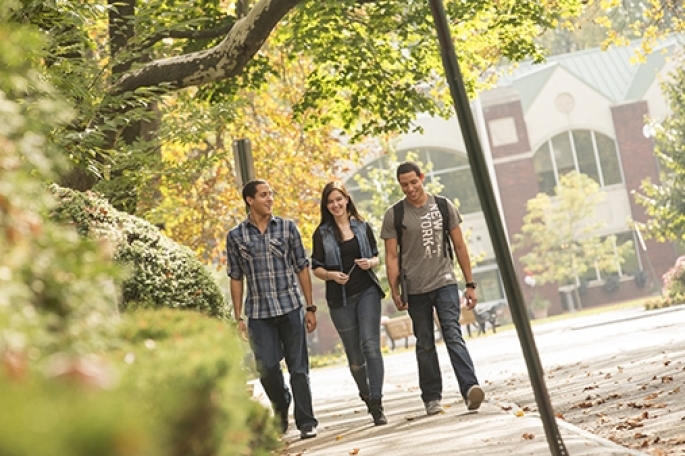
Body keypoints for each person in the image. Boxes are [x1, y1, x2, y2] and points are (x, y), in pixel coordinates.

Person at [380, 161, 485, 415]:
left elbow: (459, 246)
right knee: (424, 342)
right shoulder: (395, 214)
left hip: (444, 281)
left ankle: (470, 388)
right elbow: (391, 256)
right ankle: (431, 397)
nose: (410, 188)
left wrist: (470, 284)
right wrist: (394, 290)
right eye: (404, 185)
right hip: (415, 288)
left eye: (413, 182)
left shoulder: (443, 205)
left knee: (452, 332)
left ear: (422, 178)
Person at [226, 179, 318, 439]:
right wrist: (238, 317)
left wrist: (310, 307)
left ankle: (306, 422)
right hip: (258, 313)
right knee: (266, 368)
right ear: (249, 200)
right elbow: (235, 277)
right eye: (264, 195)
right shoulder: (236, 236)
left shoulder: (288, 228)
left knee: (299, 369)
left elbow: (302, 267)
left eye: (271, 195)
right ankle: (281, 404)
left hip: (290, 307)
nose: (270, 199)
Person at [311, 181, 388, 426]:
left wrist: (370, 263)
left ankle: (376, 401)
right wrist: (331, 275)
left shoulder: (363, 226)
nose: (335, 205)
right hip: (339, 300)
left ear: (346, 200)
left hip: (367, 291)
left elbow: (377, 256)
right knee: (355, 357)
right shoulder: (321, 233)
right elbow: (316, 267)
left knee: (371, 345)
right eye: (330, 201)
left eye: (338, 199)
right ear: (326, 205)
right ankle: (365, 393)